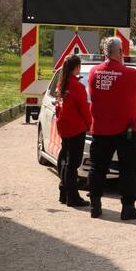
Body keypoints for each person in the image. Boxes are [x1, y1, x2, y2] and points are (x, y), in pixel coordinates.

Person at [87, 37, 136, 220]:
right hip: (125, 131)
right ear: (120, 52)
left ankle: (95, 205)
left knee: (98, 168)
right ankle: (127, 207)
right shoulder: (130, 74)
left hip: (100, 129)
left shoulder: (94, 72)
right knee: (128, 169)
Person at [54, 54, 91, 208]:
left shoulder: (62, 83)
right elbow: (84, 108)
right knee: (73, 163)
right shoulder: (77, 86)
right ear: (77, 67)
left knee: (65, 160)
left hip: (64, 126)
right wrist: (89, 124)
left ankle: (63, 192)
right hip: (76, 127)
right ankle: (72, 196)